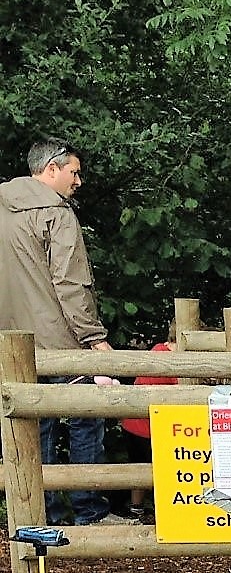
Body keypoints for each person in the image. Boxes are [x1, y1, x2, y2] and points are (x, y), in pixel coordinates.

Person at [0, 137, 133, 525]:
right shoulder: (56, 214)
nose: (79, 181)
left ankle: (42, 514)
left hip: (13, 345)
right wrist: (94, 338)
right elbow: (71, 282)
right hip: (61, 341)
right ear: (51, 169)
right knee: (85, 419)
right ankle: (90, 511)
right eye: (74, 172)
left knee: (32, 426)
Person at [119, 325, 178, 523]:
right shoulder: (176, 361)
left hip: (132, 422)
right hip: (152, 427)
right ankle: (167, 511)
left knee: (140, 467)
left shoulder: (157, 350)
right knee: (164, 469)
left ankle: (136, 509)